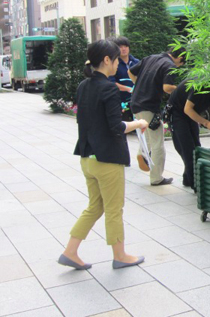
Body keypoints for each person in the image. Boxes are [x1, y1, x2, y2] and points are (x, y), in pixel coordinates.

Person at [59, 40, 147, 270]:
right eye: (116, 59)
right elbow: (116, 127)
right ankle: (120, 255)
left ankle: (70, 251)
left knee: (95, 207)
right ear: (107, 60)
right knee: (114, 209)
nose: (118, 63)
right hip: (107, 159)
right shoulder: (108, 87)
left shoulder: (83, 86)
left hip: (87, 157)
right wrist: (138, 122)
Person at [128, 47, 185, 186]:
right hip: (149, 105)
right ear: (180, 58)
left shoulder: (151, 57)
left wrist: (140, 85)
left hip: (136, 102)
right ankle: (156, 177)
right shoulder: (169, 65)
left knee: (147, 134)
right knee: (157, 142)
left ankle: (142, 152)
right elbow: (167, 87)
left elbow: (130, 71)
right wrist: (181, 89)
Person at [168, 79, 210, 190]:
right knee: (188, 149)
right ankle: (196, 185)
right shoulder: (200, 87)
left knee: (196, 147)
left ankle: (188, 178)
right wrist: (206, 122)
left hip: (191, 115)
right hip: (177, 114)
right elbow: (187, 109)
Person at [108, 36, 139, 121]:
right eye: (120, 47)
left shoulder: (136, 62)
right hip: (120, 101)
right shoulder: (114, 63)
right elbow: (111, 83)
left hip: (136, 100)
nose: (123, 49)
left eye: (125, 46)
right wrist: (128, 89)